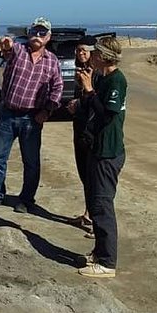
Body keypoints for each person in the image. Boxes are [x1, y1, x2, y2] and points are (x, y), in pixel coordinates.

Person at [0, 17, 64, 213]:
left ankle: (26, 200)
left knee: (31, 162)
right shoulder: (19, 50)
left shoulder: (51, 61)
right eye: (35, 31)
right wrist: (7, 44)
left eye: (42, 33)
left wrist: (48, 110)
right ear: (29, 33)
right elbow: (7, 47)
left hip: (32, 119)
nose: (37, 35)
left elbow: (57, 87)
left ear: (48, 37)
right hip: (7, 114)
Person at [74, 36, 127, 278]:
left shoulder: (116, 80)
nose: (89, 55)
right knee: (95, 202)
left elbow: (107, 114)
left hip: (108, 151)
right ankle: (99, 252)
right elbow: (92, 108)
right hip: (96, 148)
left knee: (103, 205)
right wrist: (86, 93)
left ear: (104, 56)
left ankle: (107, 262)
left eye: (94, 53)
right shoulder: (102, 78)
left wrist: (89, 90)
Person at [66, 36, 98, 237]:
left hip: (91, 130)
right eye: (78, 50)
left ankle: (97, 222)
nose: (81, 53)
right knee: (83, 174)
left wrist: (79, 104)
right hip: (79, 127)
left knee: (94, 177)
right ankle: (88, 213)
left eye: (85, 50)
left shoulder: (97, 74)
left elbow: (96, 101)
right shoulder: (80, 72)